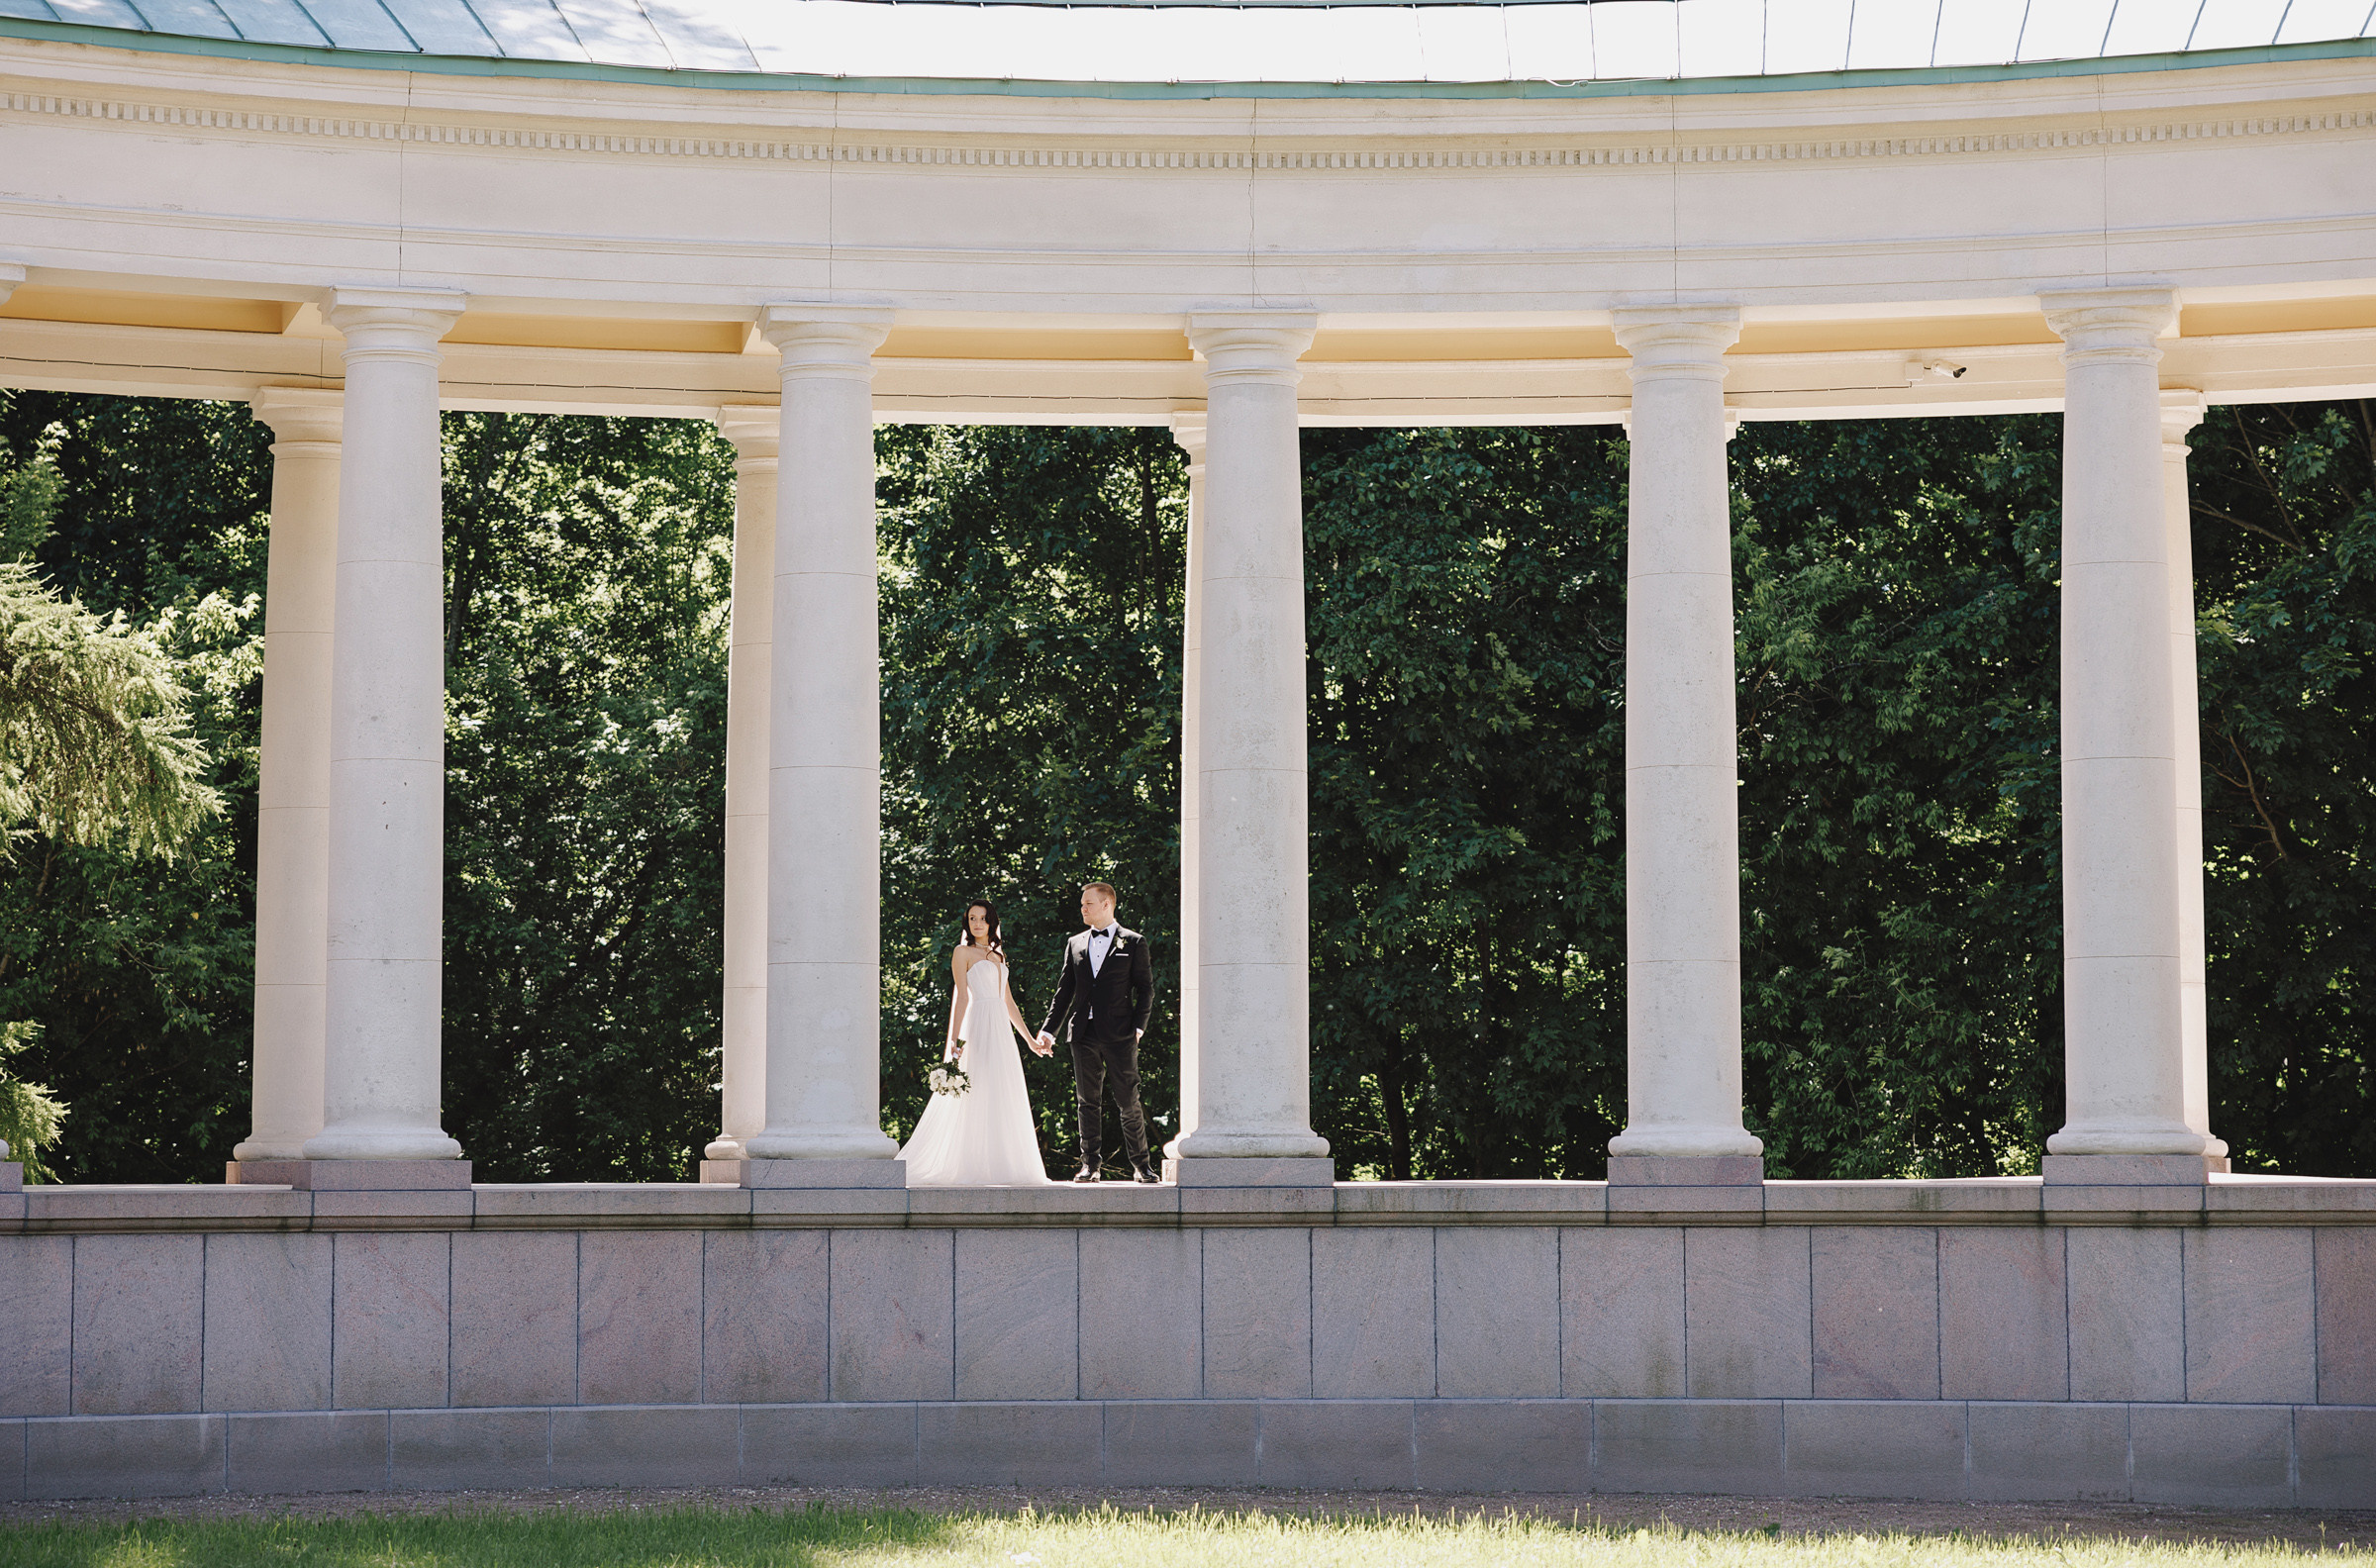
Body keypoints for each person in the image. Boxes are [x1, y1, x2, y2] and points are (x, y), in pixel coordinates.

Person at [898, 900, 1053, 1186]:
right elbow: (961, 998)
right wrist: (955, 1043)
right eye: (972, 918)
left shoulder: (999, 954)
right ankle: (969, 1164)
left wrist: (1030, 1040)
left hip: (1001, 1032)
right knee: (976, 1088)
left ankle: (1003, 1166)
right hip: (979, 1024)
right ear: (967, 922)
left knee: (1002, 1089)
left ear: (992, 922)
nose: (977, 923)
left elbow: (1007, 1002)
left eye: (983, 918)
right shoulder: (962, 952)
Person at [1038, 881, 1158, 1184]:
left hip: (1120, 1033)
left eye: (1087, 903)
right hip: (1083, 1032)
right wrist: (1048, 1032)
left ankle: (1142, 1166)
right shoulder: (1075, 943)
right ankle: (1089, 1165)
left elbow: (1145, 989)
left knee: (1128, 1100)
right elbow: (1064, 992)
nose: (1082, 908)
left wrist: (1139, 1027)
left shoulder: (1133, 942)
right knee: (1086, 1101)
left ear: (1107, 905)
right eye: (1082, 904)